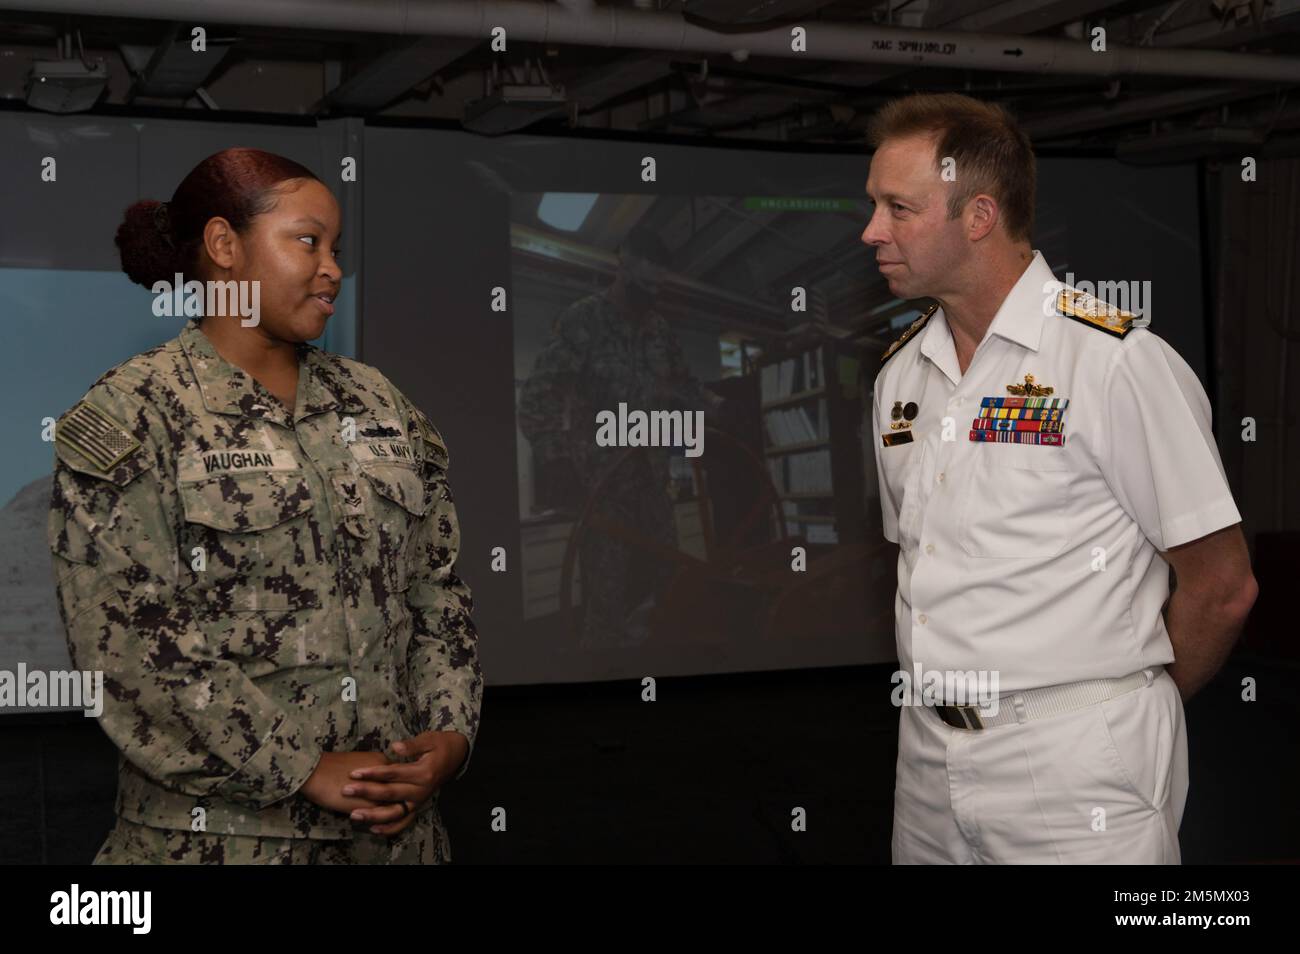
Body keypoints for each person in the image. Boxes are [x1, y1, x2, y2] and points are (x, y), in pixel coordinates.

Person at [47, 147, 482, 864]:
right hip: (223, 841)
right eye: (307, 241)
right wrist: (304, 767)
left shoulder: (377, 402)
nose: (333, 267)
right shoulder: (136, 416)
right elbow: (125, 647)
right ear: (224, 246)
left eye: (336, 248)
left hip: (398, 840)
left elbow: (437, 590)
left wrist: (449, 733)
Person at [863, 94, 1258, 864]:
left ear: (978, 216)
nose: (871, 230)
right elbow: (921, 566)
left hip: (1077, 761)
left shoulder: (1113, 363)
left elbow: (1222, 585)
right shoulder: (900, 376)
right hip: (925, 759)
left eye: (897, 208)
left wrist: (1129, 707)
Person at [517, 228, 728, 649]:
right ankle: (603, 672)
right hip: (603, 487)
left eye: (657, 286)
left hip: (653, 480)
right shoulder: (584, 320)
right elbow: (537, 396)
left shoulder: (660, 331)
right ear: (623, 263)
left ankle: (660, 657)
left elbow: (685, 386)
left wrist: (718, 408)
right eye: (644, 282)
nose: (651, 293)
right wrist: (557, 461)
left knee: (671, 580)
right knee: (606, 597)